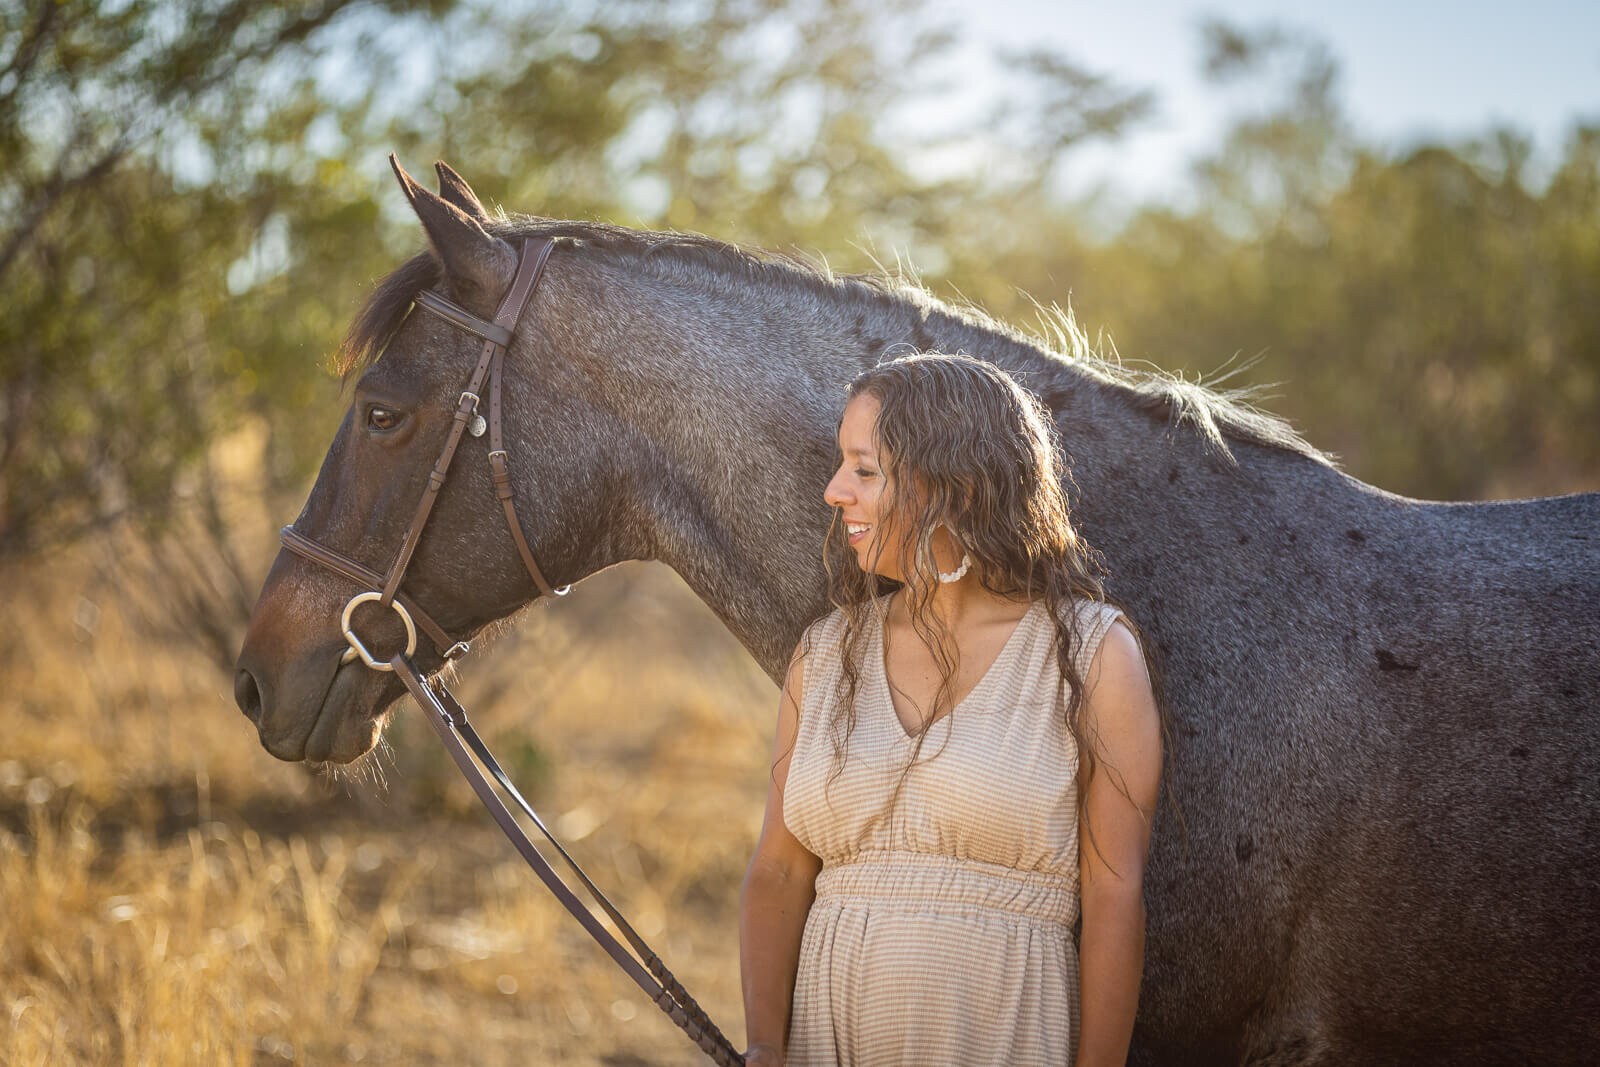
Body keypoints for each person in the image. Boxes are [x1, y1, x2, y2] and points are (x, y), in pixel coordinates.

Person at [740, 354, 1163, 1066]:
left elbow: (1115, 898)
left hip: (1005, 1031)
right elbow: (778, 873)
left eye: (864, 470)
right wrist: (762, 1046)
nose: (833, 489)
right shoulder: (824, 653)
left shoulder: (1092, 656)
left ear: (957, 488)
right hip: (828, 1039)